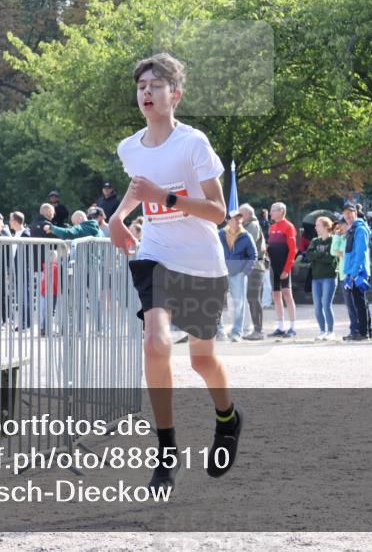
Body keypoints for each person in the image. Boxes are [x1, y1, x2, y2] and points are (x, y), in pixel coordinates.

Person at [108, 52, 241, 492]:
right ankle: (166, 450)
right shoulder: (129, 148)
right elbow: (136, 189)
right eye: (142, 86)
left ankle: (228, 418)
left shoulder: (193, 144)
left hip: (202, 262)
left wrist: (165, 198)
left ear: (175, 95)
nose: (146, 92)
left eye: (156, 85)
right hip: (156, 255)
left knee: (202, 360)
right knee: (156, 342)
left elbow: (219, 213)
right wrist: (117, 217)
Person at [217, 211, 257, 342]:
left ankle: (236, 333)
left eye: (240, 217)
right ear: (228, 220)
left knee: (239, 304)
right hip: (221, 273)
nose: (239, 220)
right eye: (235, 218)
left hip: (238, 274)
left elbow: (253, 256)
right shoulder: (220, 234)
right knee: (217, 304)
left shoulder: (246, 236)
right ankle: (220, 332)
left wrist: (244, 271)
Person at [341, 203, 372, 341]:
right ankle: (363, 331)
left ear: (356, 213)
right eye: (345, 213)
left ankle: (363, 333)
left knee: (360, 303)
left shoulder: (359, 229)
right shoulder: (352, 229)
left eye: (350, 212)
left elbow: (361, 253)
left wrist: (354, 273)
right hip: (353, 271)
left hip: (358, 273)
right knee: (360, 303)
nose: (348, 215)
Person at [266, 202, 298, 338]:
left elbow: (292, 250)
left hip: (284, 266)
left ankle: (292, 327)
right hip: (274, 267)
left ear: (281, 211)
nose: (271, 212)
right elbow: (271, 246)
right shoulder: (272, 227)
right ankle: (280, 327)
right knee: (276, 296)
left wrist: (287, 269)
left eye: (273, 210)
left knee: (287, 294)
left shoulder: (289, 227)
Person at [238, 204, 267, 341]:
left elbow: (248, 244)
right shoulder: (248, 225)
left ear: (248, 214)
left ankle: (258, 330)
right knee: (252, 298)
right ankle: (257, 329)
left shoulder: (253, 226)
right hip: (251, 266)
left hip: (255, 266)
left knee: (254, 298)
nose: (239, 217)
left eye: (241, 214)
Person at [307, 216, 337, 341]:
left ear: (325, 226)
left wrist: (318, 256)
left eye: (318, 225)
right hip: (316, 278)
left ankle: (330, 331)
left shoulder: (333, 240)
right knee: (317, 305)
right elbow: (309, 255)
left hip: (329, 277)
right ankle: (322, 330)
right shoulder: (314, 241)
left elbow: (331, 258)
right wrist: (321, 255)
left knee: (326, 304)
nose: (315, 227)